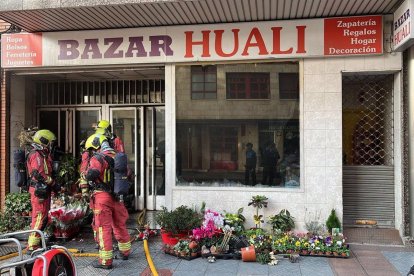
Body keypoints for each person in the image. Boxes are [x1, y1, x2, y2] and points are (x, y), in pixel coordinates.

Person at [84, 133, 131, 269]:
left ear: (95, 146)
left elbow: (92, 174)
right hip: (117, 197)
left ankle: (105, 261)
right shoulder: (117, 156)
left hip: (102, 197)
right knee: (119, 224)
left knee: (103, 228)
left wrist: (85, 175)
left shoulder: (97, 158)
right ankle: (125, 251)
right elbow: (127, 174)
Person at [26, 129, 58, 253]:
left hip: (44, 190)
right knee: (39, 217)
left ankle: (37, 242)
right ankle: (32, 246)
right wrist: (54, 184)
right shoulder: (36, 154)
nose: (51, 145)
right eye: (49, 142)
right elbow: (38, 173)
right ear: (43, 141)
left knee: (43, 217)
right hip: (39, 190)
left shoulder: (43, 154)